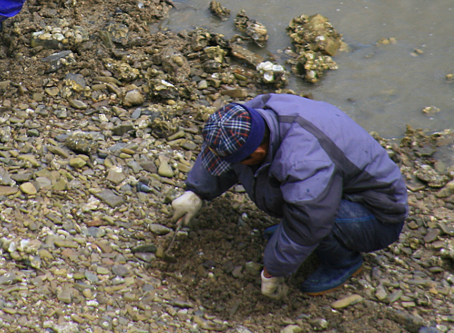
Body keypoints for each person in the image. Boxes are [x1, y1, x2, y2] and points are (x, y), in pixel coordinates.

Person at [170, 93, 408, 298]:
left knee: (311, 219)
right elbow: (222, 147)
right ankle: (295, 242)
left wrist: (273, 270)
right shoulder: (252, 114)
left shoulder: (304, 162)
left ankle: (344, 263)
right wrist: (195, 192)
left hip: (378, 214)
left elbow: (309, 220)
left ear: (260, 151)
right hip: (331, 186)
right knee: (292, 198)